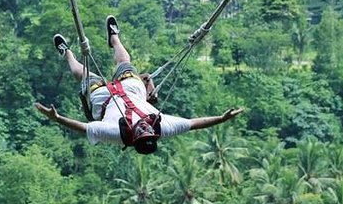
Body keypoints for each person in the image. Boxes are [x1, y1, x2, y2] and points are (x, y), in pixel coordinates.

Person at [35, 15, 244, 154]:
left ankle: (68, 53)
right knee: (125, 61)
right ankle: (114, 38)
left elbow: (84, 128)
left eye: (141, 131)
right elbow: (194, 124)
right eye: (147, 130)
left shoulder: (117, 134)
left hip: (105, 99)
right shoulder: (162, 127)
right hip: (132, 91)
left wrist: (57, 118)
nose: (144, 126)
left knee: (82, 73)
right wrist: (222, 119)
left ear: (134, 138)